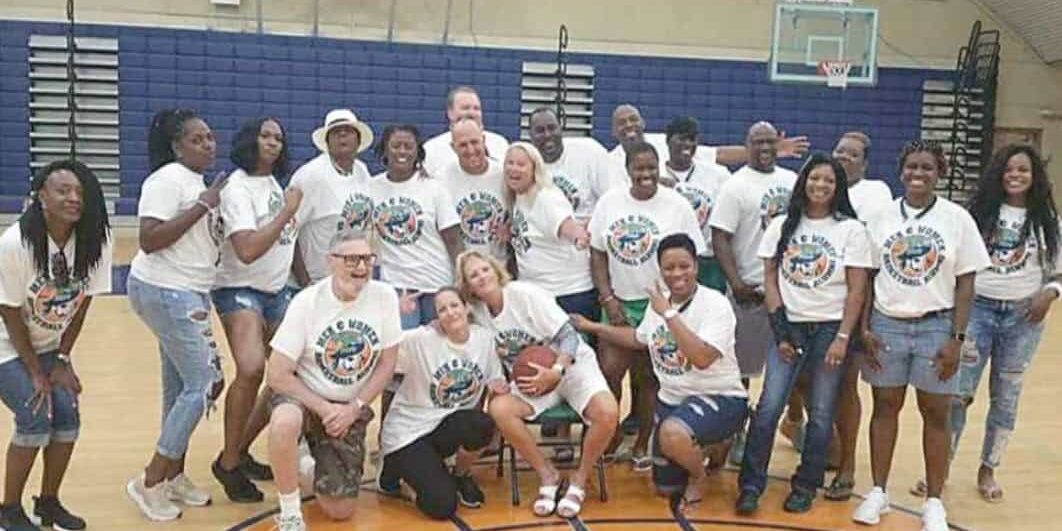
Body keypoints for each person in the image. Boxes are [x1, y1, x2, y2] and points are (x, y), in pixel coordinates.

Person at [852, 140, 990, 531]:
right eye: (912, 166)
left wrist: (956, 338)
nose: (918, 174)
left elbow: (966, 284)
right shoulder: (880, 217)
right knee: (885, 406)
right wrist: (864, 328)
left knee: (936, 412)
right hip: (887, 323)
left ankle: (934, 501)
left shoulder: (957, 218)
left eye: (927, 167)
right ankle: (878, 492)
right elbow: (868, 276)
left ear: (939, 173)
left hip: (936, 324)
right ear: (901, 171)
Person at [735, 154, 871, 514]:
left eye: (829, 180)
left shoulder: (851, 230)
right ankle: (750, 485)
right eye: (814, 179)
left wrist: (843, 337)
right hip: (789, 325)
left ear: (838, 187)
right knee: (768, 407)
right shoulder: (782, 224)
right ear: (803, 182)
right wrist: (780, 331)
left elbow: (857, 290)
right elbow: (770, 279)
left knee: (823, 412)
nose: (821, 186)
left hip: (829, 329)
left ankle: (806, 484)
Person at [572, 234, 747, 511]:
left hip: (720, 396)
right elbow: (639, 338)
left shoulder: (715, 305)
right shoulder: (660, 304)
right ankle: (709, 446)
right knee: (664, 488)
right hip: (674, 401)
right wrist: (593, 327)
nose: (677, 273)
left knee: (672, 434)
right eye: (669, 268)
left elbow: (701, 358)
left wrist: (669, 315)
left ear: (696, 267)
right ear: (660, 270)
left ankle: (700, 474)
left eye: (684, 266)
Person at [456, 250, 618, 518]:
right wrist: (495, 379)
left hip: (570, 367)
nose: (482, 276)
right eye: (473, 275)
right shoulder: (477, 314)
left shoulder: (524, 294)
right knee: (500, 409)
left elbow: (569, 336)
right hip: (533, 381)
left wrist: (556, 370)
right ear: (468, 286)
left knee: (608, 412)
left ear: (496, 270)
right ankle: (548, 475)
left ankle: (579, 480)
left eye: (485, 269)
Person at [125, 109, 225, 521]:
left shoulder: (197, 182)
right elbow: (150, 239)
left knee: (181, 386)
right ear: (176, 145)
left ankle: (173, 474)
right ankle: (149, 480)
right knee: (206, 382)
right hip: (165, 289)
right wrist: (203, 206)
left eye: (210, 137)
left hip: (190, 292)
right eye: (197, 139)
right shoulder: (165, 180)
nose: (208, 144)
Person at [0, 160, 111, 531]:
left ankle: (48, 503)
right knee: (35, 415)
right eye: (63, 190)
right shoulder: (15, 243)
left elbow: (82, 305)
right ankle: (9, 511)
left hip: (47, 346)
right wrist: (35, 372)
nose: (74, 198)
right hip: (5, 345)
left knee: (66, 415)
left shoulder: (94, 241)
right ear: (41, 196)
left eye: (78, 191)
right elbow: (10, 312)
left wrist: (62, 359)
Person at [945, 144, 1060, 502]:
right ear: (998, 173)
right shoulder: (977, 215)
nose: (1016, 176)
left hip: (1023, 317)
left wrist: (1051, 292)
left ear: (1035, 177)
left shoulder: (1048, 222)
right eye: (1010, 170)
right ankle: (941, 466)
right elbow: (956, 261)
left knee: (1006, 397)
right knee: (958, 395)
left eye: (1023, 170)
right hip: (977, 310)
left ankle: (988, 468)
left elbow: (1057, 271)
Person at [266, 231, 401, 531]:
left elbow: (387, 364)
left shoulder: (384, 297)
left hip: (348, 406)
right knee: (285, 421)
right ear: (331, 262)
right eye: (352, 259)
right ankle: (290, 513)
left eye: (367, 259)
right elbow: (276, 373)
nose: (362, 268)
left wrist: (354, 408)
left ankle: (303, 462)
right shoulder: (307, 302)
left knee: (340, 511)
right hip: (304, 395)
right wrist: (324, 409)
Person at [587, 141, 706, 470]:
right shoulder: (610, 202)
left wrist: (675, 303)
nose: (646, 174)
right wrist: (607, 297)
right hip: (619, 301)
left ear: (659, 167)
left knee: (650, 377)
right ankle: (608, 436)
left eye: (651, 168)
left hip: (659, 303)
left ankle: (643, 441)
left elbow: (691, 254)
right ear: (627, 171)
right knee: (609, 371)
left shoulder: (676, 205)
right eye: (639, 168)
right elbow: (597, 252)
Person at [210, 117, 302, 502]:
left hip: (276, 289)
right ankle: (229, 466)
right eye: (266, 136)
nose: (273, 143)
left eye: (279, 137)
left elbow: (287, 240)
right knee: (250, 368)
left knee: (287, 370)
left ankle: (236, 452)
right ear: (249, 140)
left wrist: (306, 282)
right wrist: (287, 210)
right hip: (239, 287)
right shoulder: (236, 188)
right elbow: (247, 249)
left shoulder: (273, 185)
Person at [708, 121, 798, 463]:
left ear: (778, 144)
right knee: (741, 373)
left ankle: (793, 423)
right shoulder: (736, 185)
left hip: (790, 295)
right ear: (747, 146)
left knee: (789, 371)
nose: (764, 147)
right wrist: (736, 283)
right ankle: (738, 430)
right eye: (757, 141)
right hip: (751, 292)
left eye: (769, 141)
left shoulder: (792, 182)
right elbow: (721, 237)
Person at [378, 287, 505, 519]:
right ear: (436, 317)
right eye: (442, 309)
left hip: (442, 427)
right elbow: (378, 342)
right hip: (407, 434)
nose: (450, 313)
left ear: (466, 308)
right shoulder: (421, 339)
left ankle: (460, 474)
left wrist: (500, 387)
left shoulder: (484, 339)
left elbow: (495, 378)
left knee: (481, 423)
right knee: (441, 506)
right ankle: (397, 472)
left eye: (454, 305)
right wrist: (392, 311)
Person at [826, 131, 894, 501]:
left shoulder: (875, 193)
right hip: (814, 300)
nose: (844, 157)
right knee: (806, 382)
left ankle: (847, 465)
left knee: (844, 386)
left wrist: (863, 320)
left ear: (865, 162)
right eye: (839, 151)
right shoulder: (819, 185)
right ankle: (808, 431)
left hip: (853, 300)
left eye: (852, 154)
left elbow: (869, 260)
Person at [369, 124, 464, 329]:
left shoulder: (435, 188)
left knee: (438, 347)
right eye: (396, 146)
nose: (402, 151)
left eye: (408, 146)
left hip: (437, 284)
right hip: (397, 286)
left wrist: (460, 283)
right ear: (385, 150)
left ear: (417, 152)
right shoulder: (371, 188)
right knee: (405, 350)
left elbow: (454, 239)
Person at [288, 108, 374, 287]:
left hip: (354, 279)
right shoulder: (310, 176)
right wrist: (305, 283)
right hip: (317, 282)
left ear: (358, 141)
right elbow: (288, 233)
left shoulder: (362, 171)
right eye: (335, 132)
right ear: (326, 142)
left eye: (348, 131)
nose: (342, 135)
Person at [607, 104, 810, 172]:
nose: (629, 126)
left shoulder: (666, 142)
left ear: (643, 123)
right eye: (621, 123)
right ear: (613, 132)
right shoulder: (610, 162)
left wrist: (767, 151)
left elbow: (717, 154)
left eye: (633, 119)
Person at [660, 117, 731, 293]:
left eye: (692, 139)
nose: (687, 144)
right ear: (668, 141)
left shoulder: (717, 175)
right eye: (681, 138)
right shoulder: (655, 173)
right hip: (669, 257)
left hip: (707, 259)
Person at [527, 107, 620, 220]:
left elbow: (613, 198)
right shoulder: (524, 164)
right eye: (540, 131)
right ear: (530, 134)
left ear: (561, 128)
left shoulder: (589, 151)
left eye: (552, 128)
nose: (547, 135)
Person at [441, 118, 510, 263]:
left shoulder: (505, 175)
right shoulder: (441, 180)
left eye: (474, 142)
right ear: (453, 147)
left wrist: (511, 230)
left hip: (500, 269)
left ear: (483, 140)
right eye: (463, 145)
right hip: (459, 272)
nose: (470, 150)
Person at [423, 86, 510, 177]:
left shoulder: (500, 143)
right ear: (450, 113)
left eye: (476, 108)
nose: (472, 113)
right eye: (465, 108)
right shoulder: (432, 149)